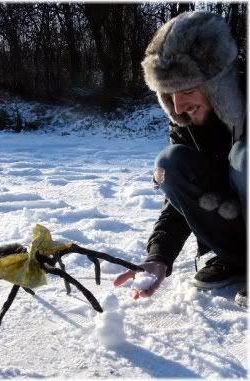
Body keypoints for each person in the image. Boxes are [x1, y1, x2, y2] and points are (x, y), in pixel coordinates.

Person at [114, 11, 247, 307]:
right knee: (170, 163)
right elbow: (179, 196)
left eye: (187, 89)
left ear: (219, 84)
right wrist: (159, 256)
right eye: (169, 93)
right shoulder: (184, 122)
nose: (178, 105)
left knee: (244, 157)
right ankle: (237, 260)